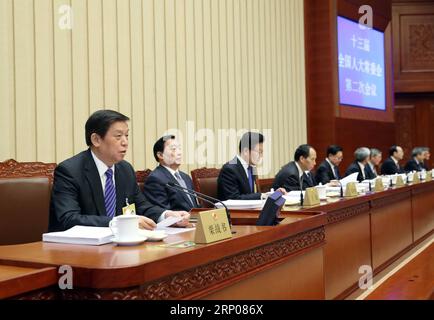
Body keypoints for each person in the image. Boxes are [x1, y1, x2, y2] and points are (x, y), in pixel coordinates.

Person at [49, 110, 162, 232]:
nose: (125, 142)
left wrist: (166, 215)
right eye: (118, 136)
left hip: (117, 243)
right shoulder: (70, 171)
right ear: (96, 140)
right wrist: (118, 223)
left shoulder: (125, 169)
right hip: (77, 247)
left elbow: (141, 206)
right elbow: (69, 218)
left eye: (127, 136)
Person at [143, 135, 197, 225]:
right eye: (174, 149)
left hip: (193, 225)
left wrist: (197, 221)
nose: (179, 153)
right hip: (176, 229)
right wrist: (193, 222)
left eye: (179, 148)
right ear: (160, 155)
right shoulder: (155, 179)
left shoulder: (185, 177)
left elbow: (196, 207)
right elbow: (162, 212)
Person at [218, 132, 285, 201]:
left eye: (262, 152)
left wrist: (273, 194)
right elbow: (233, 198)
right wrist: (262, 196)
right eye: (259, 152)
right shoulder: (229, 169)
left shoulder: (251, 167)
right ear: (246, 151)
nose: (261, 156)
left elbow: (251, 194)